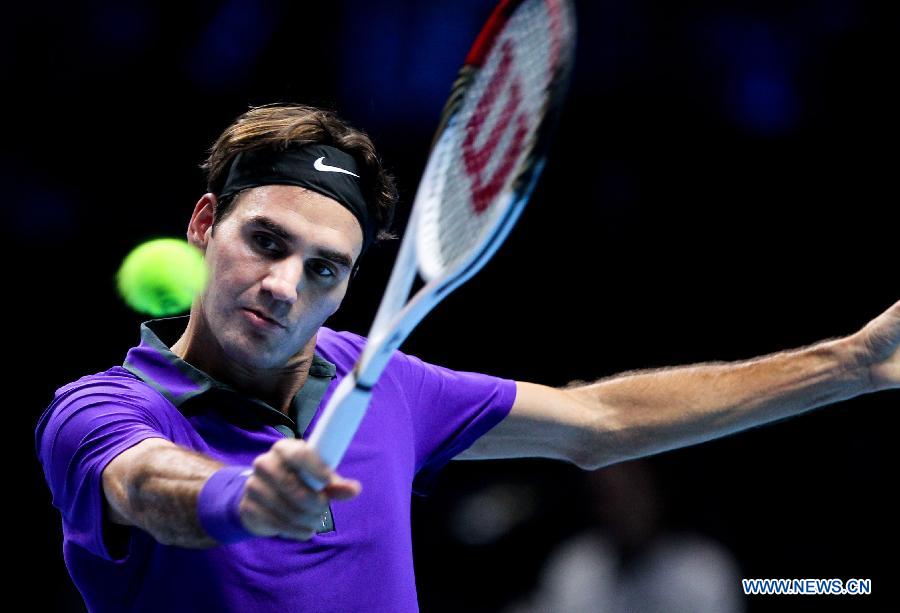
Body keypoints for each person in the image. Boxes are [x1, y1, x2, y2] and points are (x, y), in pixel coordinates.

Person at [35, 103, 898, 613]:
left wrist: (853, 362)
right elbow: (145, 484)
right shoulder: (105, 407)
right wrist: (239, 497)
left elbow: (603, 421)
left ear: (345, 287)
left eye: (323, 268)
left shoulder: (389, 385)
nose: (284, 283)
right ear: (201, 227)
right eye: (265, 240)